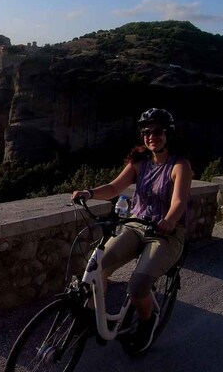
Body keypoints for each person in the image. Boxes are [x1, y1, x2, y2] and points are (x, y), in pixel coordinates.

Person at [70, 108, 192, 353]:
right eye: (146, 132)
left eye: (157, 131)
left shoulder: (180, 165)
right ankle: (95, 318)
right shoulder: (139, 163)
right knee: (97, 267)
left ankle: (148, 322)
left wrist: (168, 220)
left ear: (168, 133)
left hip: (166, 233)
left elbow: (179, 201)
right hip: (136, 226)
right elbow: (115, 187)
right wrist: (89, 193)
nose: (151, 136)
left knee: (137, 287)